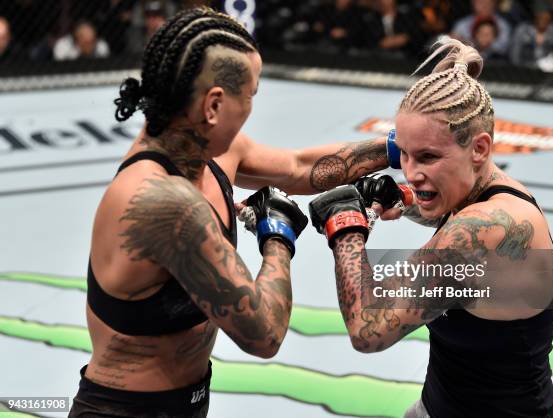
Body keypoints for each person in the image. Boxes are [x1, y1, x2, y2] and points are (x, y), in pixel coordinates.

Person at [68, 6, 395, 417]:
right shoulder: (164, 204)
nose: (251, 109)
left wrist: (399, 148)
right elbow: (264, 333)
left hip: (185, 403)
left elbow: (299, 167)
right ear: (214, 105)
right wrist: (277, 235)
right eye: (252, 94)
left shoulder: (207, 152)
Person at [310, 37, 553, 418]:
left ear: (479, 148)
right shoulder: (476, 193)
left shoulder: (491, 225)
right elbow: (444, 212)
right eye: (405, 155)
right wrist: (406, 198)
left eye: (428, 157)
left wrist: (346, 227)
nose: (412, 171)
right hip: (436, 406)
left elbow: (369, 326)